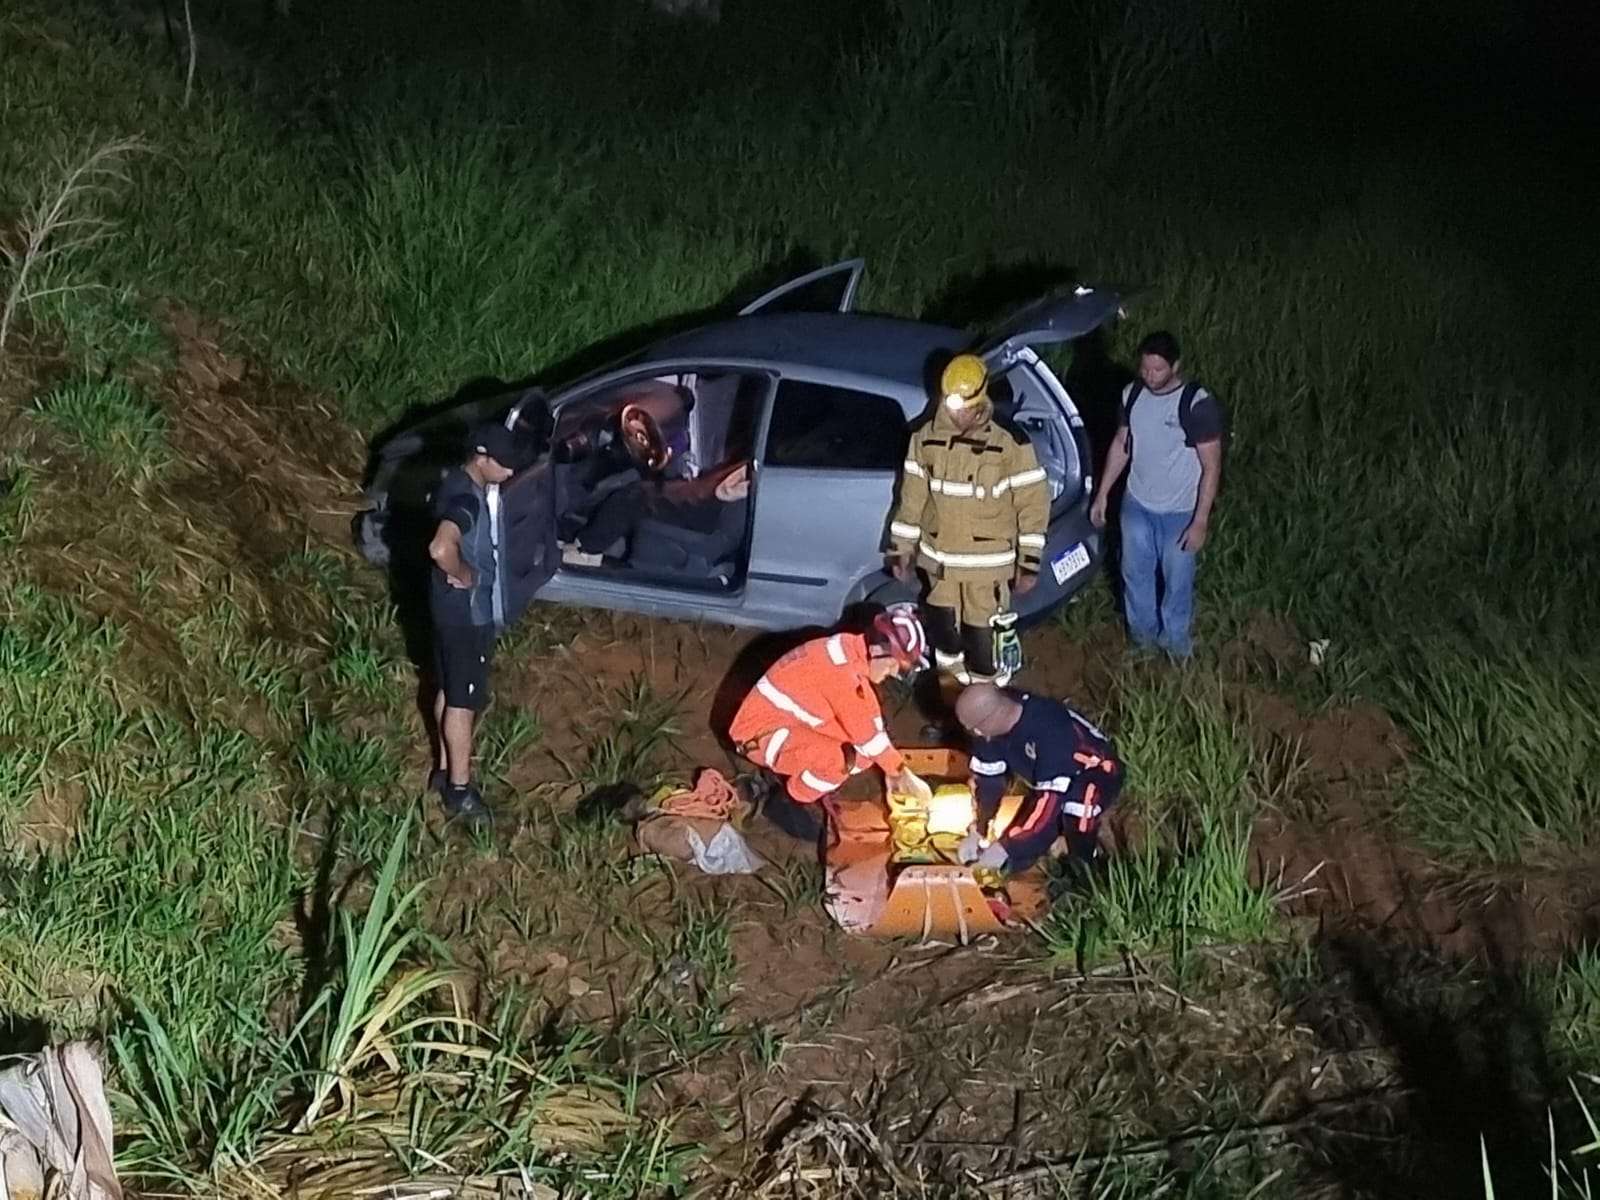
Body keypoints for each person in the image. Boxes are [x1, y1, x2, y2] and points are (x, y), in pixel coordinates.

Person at [887, 353, 1048, 694]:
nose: (957, 413)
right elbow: (912, 499)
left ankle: (988, 711)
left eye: (964, 405)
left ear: (981, 399)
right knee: (944, 639)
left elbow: (1032, 505)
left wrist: (1029, 563)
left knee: (983, 643)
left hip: (986, 571)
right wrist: (901, 550)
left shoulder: (1009, 443)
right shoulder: (924, 438)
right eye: (951, 404)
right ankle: (952, 703)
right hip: (939, 565)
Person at [1089, 330, 1226, 659]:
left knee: (1177, 583)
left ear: (1175, 366)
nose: (1150, 376)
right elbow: (1122, 444)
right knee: (1135, 575)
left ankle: (1176, 645)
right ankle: (1143, 642)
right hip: (1137, 504)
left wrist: (1200, 521)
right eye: (1145, 369)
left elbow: (1212, 466)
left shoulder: (1196, 404)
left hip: (1180, 511)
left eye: (1158, 370)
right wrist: (1103, 493)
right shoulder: (1131, 395)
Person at [426, 420, 534, 824]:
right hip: (466, 616)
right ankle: (460, 790)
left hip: (446, 610)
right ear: (482, 458)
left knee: (448, 688)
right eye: (504, 465)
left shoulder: (455, 481)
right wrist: (464, 572)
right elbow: (440, 546)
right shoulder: (467, 501)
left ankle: (442, 770)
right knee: (463, 702)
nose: (510, 472)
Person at [728, 605, 934, 812]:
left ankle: (802, 775)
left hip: (786, 721)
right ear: (876, 650)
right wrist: (901, 773)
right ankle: (793, 797)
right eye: (891, 666)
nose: (891, 674)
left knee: (863, 758)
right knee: (840, 762)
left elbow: (868, 717)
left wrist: (893, 771)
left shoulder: (848, 650)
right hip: (760, 735)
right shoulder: (840, 677)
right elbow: (865, 733)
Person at [953, 682, 1122, 875]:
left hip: (1094, 771)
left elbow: (1049, 803)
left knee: (1077, 808)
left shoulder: (1050, 727)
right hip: (1049, 780)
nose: (976, 733)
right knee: (1025, 836)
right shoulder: (989, 730)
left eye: (976, 728)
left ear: (996, 714)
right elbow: (988, 782)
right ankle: (1019, 861)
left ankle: (1084, 869)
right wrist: (978, 829)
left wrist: (1007, 848)